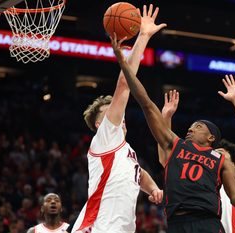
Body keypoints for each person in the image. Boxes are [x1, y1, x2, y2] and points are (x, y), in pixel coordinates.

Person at [110, 36, 235, 233]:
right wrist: (124, 63)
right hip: (177, 223)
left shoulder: (224, 163)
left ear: (211, 138)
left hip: (207, 222)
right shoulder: (177, 145)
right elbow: (146, 103)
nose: (190, 129)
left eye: (197, 126)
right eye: (191, 126)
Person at [71, 4, 166, 233]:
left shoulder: (123, 150)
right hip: (98, 227)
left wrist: (153, 188)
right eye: (110, 112)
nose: (119, 115)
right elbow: (124, 85)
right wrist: (143, 36)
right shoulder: (105, 137)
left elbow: (137, 172)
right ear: (98, 124)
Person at [158, 75, 235, 233]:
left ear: (232, 165)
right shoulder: (193, 175)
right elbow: (165, 153)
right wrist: (166, 116)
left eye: (220, 155)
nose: (212, 157)